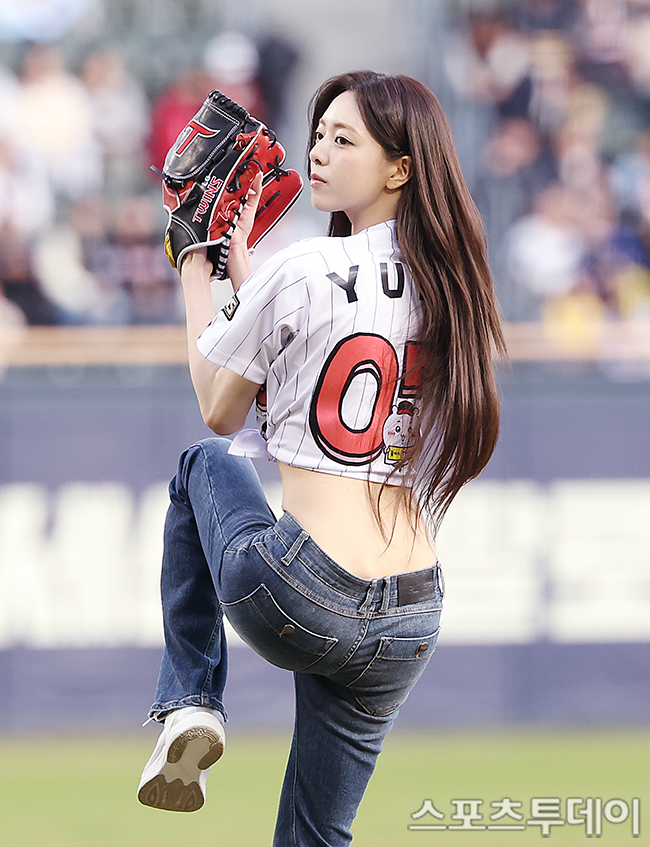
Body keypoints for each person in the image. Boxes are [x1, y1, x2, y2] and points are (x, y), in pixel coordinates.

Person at [137, 70, 505, 846]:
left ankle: (191, 701)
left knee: (204, 463)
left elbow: (219, 405)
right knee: (316, 836)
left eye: (344, 140)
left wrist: (197, 262)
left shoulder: (301, 266)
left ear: (399, 168)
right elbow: (318, 355)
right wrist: (249, 281)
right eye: (319, 136)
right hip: (413, 610)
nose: (319, 153)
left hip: (303, 589)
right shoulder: (456, 284)